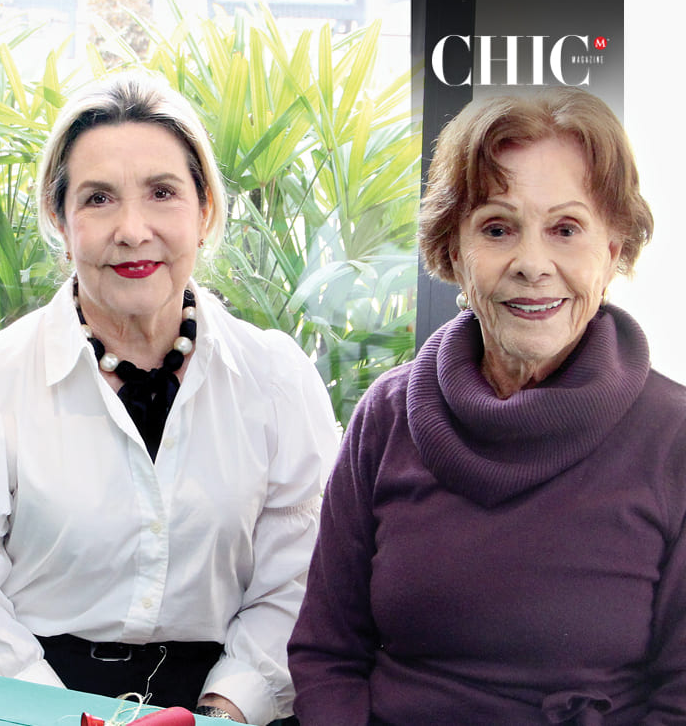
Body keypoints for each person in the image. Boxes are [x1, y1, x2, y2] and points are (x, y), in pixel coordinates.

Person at [0, 72, 340, 724]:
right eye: (98, 198)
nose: (132, 228)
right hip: (32, 698)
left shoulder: (276, 380)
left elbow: (304, 575)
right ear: (60, 221)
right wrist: (59, 718)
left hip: (225, 698)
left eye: (162, 193)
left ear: (203, 212)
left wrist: (227, 708)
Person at [286, 87, 686, 723]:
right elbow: (328, 654)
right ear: (453, 251)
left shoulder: (675, 439)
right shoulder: (387, 418)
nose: (531, 264)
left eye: (566, 229)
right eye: (497, 228)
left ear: (613, 250)